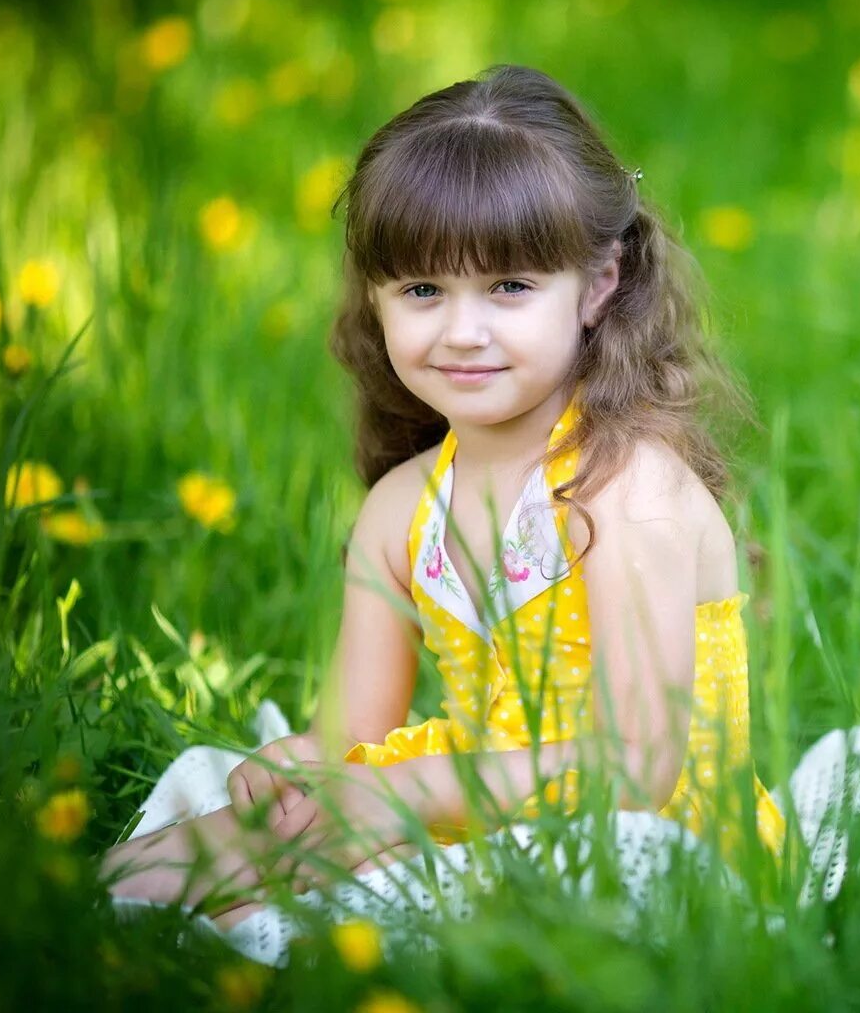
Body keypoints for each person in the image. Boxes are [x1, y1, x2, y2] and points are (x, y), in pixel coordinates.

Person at [100, 64, 787, 959]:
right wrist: (302, 761)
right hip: (457, 802)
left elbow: (636, 769)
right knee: (141, 881)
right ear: (378, 299)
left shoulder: (624, 489)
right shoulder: (403, 509)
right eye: (424, 291)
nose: (462, 332)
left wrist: (398, 800)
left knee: (292, 918)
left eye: (509, 288)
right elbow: (359, 730)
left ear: (597, 283)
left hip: (645, 833)